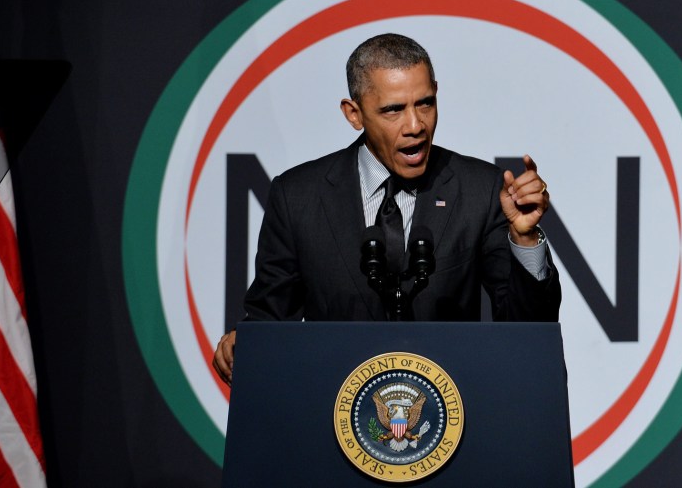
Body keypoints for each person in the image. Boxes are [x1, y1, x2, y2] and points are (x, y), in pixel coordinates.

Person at [212, 33, 560, 384]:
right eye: (393, 110)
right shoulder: (298, 196)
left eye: (424, 103)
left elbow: (528, 333)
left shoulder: (480, 190)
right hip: (333, 415)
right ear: (354, 113)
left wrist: (525, 238)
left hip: (452, 418)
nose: (415, 126)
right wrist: (244, 343)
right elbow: (270, 321)